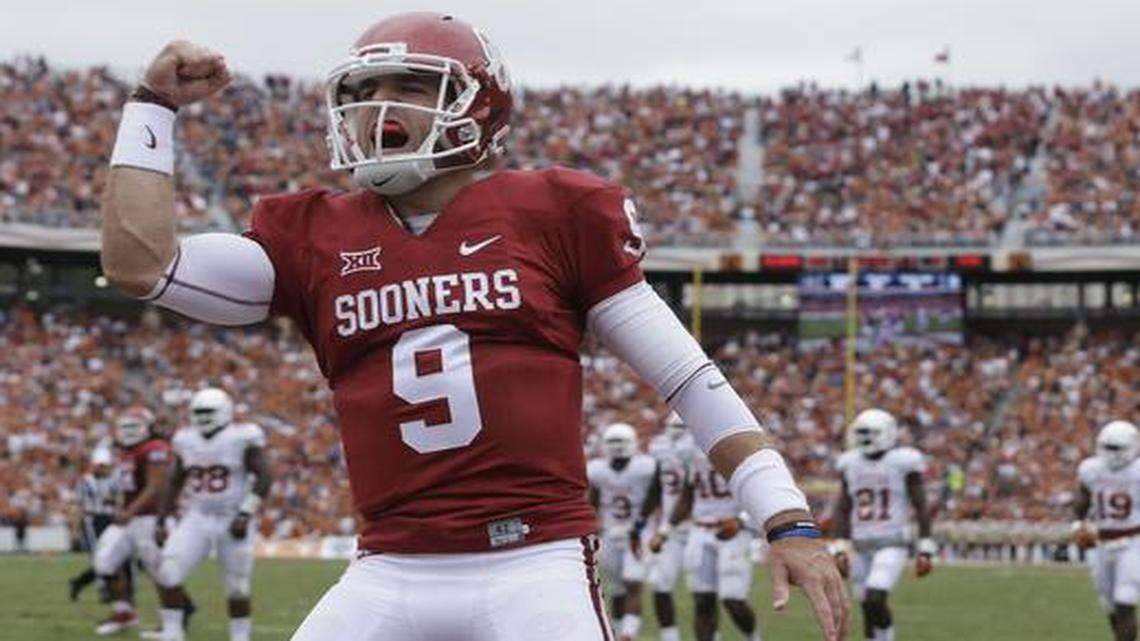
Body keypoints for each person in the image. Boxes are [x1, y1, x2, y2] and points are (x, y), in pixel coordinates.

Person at [99, 12, 847, 640]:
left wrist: (787, 519)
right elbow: (142, 264)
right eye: (364, 90)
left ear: (479, 105)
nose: (380, 106)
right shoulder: (314, 235)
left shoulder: (554, 213)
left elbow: (688, 379)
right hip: (388, 563)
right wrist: (150, 105)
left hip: (535, 559)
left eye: (411, 85)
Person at [153, 388, 271, 641]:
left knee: (237, 587)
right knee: (167, 571)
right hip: (197, 515)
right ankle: (173, 633)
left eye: (208, 412)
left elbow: (265, 476)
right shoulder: (185, 439)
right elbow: (174, 480)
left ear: (225, 412)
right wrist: (161, 518)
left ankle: (240, 638)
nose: (203, 416)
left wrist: (245, 513)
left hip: (233, 516)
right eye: (198, 412)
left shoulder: (241, 436)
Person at [830, 409, 936, 641]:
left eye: (871, 433)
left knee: (874, 597)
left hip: (892, 542)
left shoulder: (902, 461)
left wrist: (926, 546)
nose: (865, 439)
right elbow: (844, 507)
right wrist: (839, 545)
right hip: (860, 545)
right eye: (862, 433)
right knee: (867, 609)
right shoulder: (850, 463)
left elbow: (920, 505)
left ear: (888, 433)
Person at [652, 446, 764, 641]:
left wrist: (741, 521)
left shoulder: (740, 448)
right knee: (702, 600)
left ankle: (753, 637)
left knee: (732, 599)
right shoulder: (694, 453)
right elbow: (687, 496)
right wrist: (665, 531)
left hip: (733, 533)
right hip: (701, 531)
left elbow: (760, 494)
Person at [92, 407, 174, 635]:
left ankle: (171, 623)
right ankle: (124, 612)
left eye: (133, 426)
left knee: (159, 570)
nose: (128, 432)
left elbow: (156, 486)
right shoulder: (127, 452)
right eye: (124, 427)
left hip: (149, 518)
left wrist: (130, 510)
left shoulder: (154, 448)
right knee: (104, 561)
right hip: (129, 518)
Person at [587, 423, 659, 640]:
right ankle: (618, 632)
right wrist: (594, 526)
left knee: (633, 581)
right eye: (612, 442)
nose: (617, 447)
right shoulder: (597, 470)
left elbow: (654, 496)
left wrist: (643, 523)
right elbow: (594, 500)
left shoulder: (645, 466)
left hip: (637, 532)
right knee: (617, 588)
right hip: (610, 532)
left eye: (620, 441)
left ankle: (628, 634)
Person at [1073, 420, 1140, 641]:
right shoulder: (1090, 468)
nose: (1112, 454)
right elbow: (1082, 499)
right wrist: (1079, 523)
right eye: (1108, 447)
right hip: (1100, 542)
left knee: (1125, 601)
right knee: (1110, 605)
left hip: (1133, 541)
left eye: (1117, 448)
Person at [645, 413, 695, 641]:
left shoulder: (700, 451)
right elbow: (655, 487)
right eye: (673, 426)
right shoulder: (660, 450)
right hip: (671, 530)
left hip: (699, 527)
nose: (677, 431)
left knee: (704, 593)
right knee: (661, 585)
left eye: (681, 426)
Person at [69, 447, 125, 603]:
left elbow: (121, 500)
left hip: (110, 519)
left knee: (111, 557)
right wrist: (74, 530)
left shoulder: (115, 480)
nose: (101, 468)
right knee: (98, 556)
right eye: (99, 465)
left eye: (104, 465)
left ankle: (79, 582)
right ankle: (103, 589)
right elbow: (79, 506)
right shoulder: (85, 481)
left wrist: (114, 502)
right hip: (92, 520)